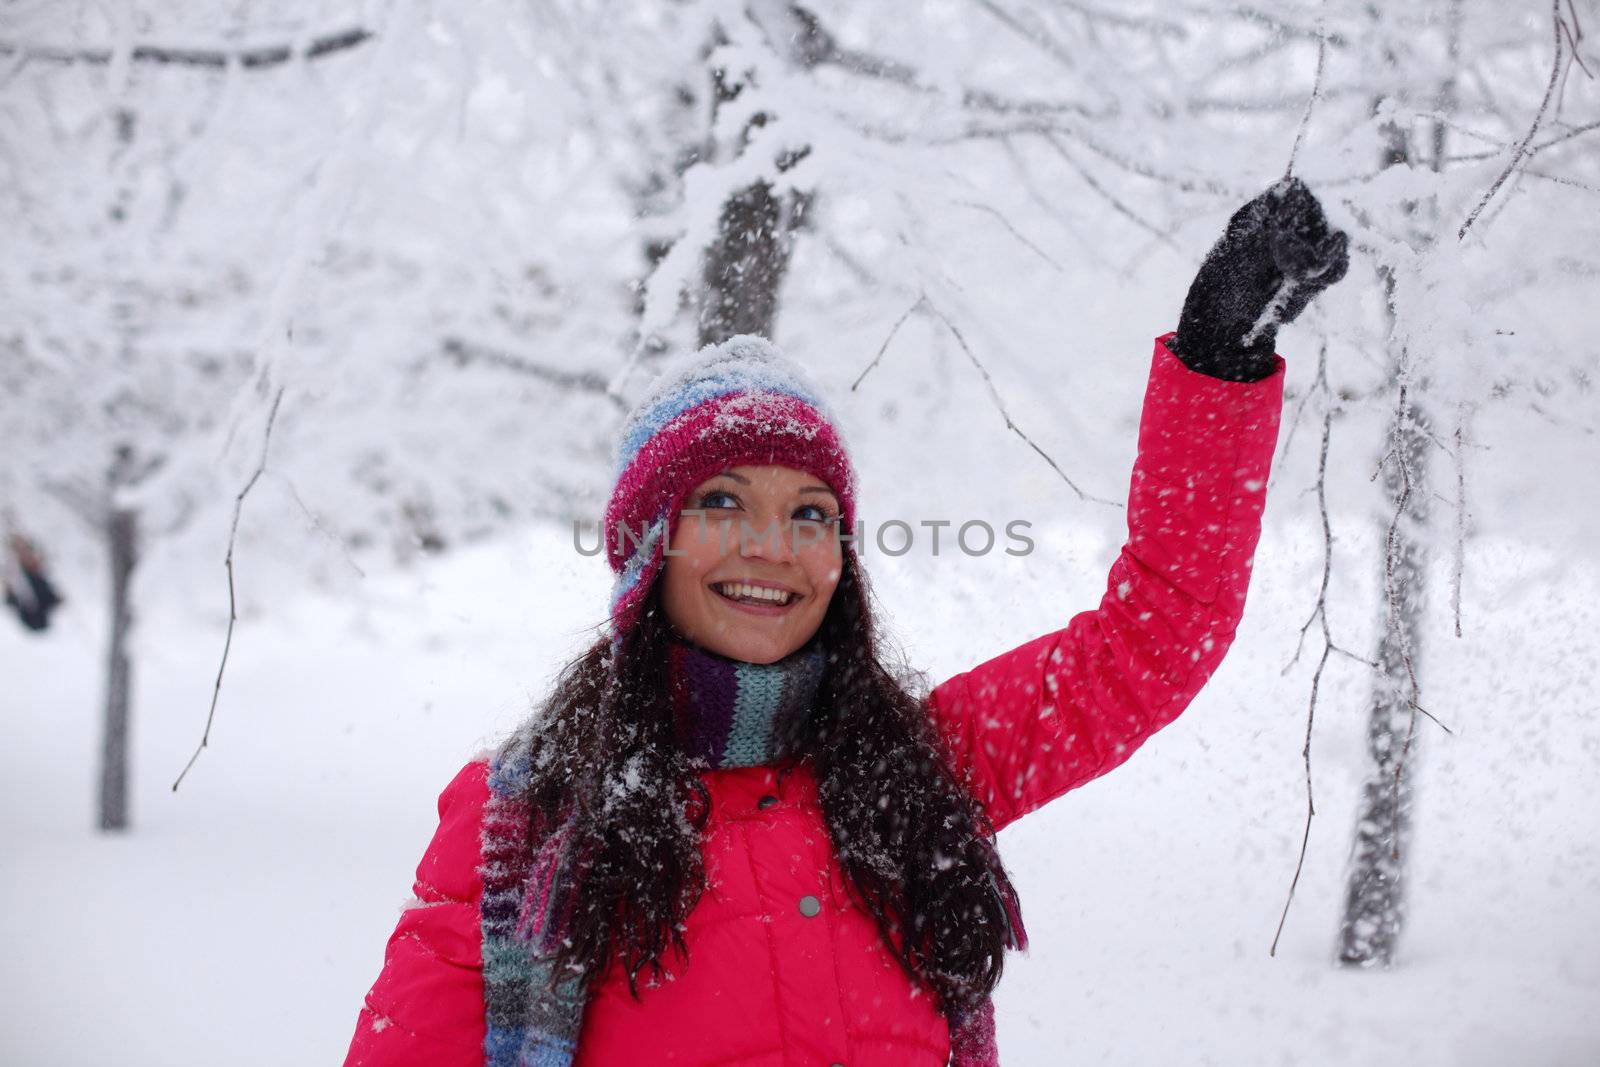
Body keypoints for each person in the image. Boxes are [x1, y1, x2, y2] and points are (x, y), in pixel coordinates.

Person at [343, 178, 1349, 1067]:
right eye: (722, 503)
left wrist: (1216, 360)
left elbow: (1158, 630)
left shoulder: (921, 766)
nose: (771, 546)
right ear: (649, 549)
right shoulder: (527, 821)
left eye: (809, 513)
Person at [4, 529, 64, 633]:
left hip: (28, 577)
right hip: (32, 577)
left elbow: (12, 601)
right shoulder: (41, 607)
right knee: (25, 563)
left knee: (20, 564)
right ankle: (17, 539)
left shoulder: (34, 609)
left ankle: (15, 539)